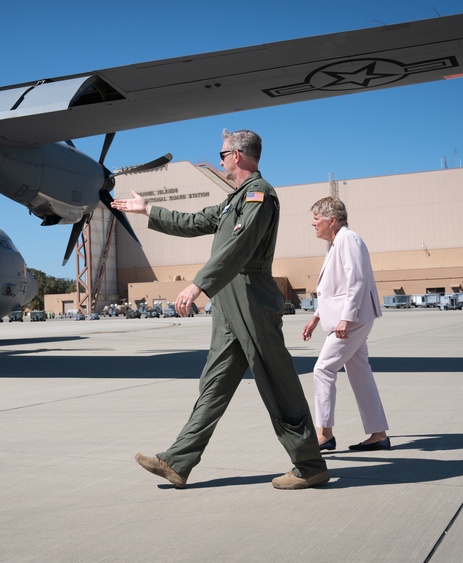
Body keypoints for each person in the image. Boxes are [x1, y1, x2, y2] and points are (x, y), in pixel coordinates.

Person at [111, 129, 328, 490]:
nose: (221, 158)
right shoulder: (234, 200)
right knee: (214, 383)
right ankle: (177, 462)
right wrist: (148, 209)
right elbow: (194, 221)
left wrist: (199, 284)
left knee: (277, 381)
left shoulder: (260, 196)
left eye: (223, 152)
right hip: (229, 301)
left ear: (238, 155)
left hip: (251, 299)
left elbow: (239, 249)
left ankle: (309, 463)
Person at [302, 196, 390, 451]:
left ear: (332, 220)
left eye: (316, 218)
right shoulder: (336, 243)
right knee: (361, 374)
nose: (313, 223)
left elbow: (357, 281)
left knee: (323, 369)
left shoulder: (348, 239)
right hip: (350, 318)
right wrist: (316, 316)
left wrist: (346, 318)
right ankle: (378, 434)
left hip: (352, 319)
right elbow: (334, 288)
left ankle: (325, 433)